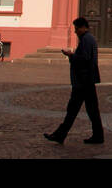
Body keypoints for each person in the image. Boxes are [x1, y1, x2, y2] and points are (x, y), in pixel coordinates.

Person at [44, 17, 103, 145]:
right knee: (91, 110)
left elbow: (85, 59)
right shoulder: (89, 39)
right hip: (88, 80)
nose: (75, 32)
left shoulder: (86, 40)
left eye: (76, 29)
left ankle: (60, 135)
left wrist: (71, 55)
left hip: (83, 81)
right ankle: (98, 136)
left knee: (73, 110)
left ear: (83, 27)